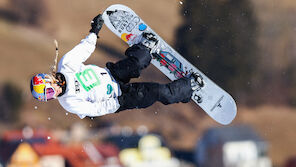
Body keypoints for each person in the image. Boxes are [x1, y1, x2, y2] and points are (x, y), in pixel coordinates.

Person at [30, 14, 203, 119]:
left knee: (136, 62)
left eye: (50, 92)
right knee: (156, 92)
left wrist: (94, 32)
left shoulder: (66, 65)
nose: (54, 96)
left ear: (50, 80)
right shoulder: (68, 102)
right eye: (50, 97)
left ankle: (147, 48)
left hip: (111, 74)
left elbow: (84, 50)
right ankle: (188, 87)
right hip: (120, 97)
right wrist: (116, 103)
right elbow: (95, 109)